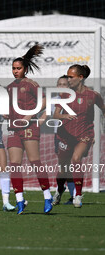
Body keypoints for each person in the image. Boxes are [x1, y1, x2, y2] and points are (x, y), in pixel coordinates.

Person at [6, 45, 53, 214]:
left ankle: (47, 196)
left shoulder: (31, 84)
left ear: (25, 69)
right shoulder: (10, 87)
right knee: (15, 165)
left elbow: (45, 101)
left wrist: (29, 116)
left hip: (30, 128)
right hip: (13, 129)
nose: (15, 71)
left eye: (18, 68)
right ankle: (20, 201)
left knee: (35, 162)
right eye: (13, 68)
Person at [53, 65, 105, 208]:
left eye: (71, 77)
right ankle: (59, 189)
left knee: (76, 159)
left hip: (84, 135)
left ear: (80, 77)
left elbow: (103, 109)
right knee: (63, 169)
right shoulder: (65, 94)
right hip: (65, 136)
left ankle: (77, 195)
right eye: (67, 76)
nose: (68, 80)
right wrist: (64, 115)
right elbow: (55, 114)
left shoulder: (93, 95)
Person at [51, 75, 75, 205]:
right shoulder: (53, 100)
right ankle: (69, 193)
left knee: (69, 166)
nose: (61, 87)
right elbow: (44, 114)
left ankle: (66, 192)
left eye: (64, 84)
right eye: (59, 84)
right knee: (64, 166)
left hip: (73, 137)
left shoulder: (75, 101)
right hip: (58, 137)